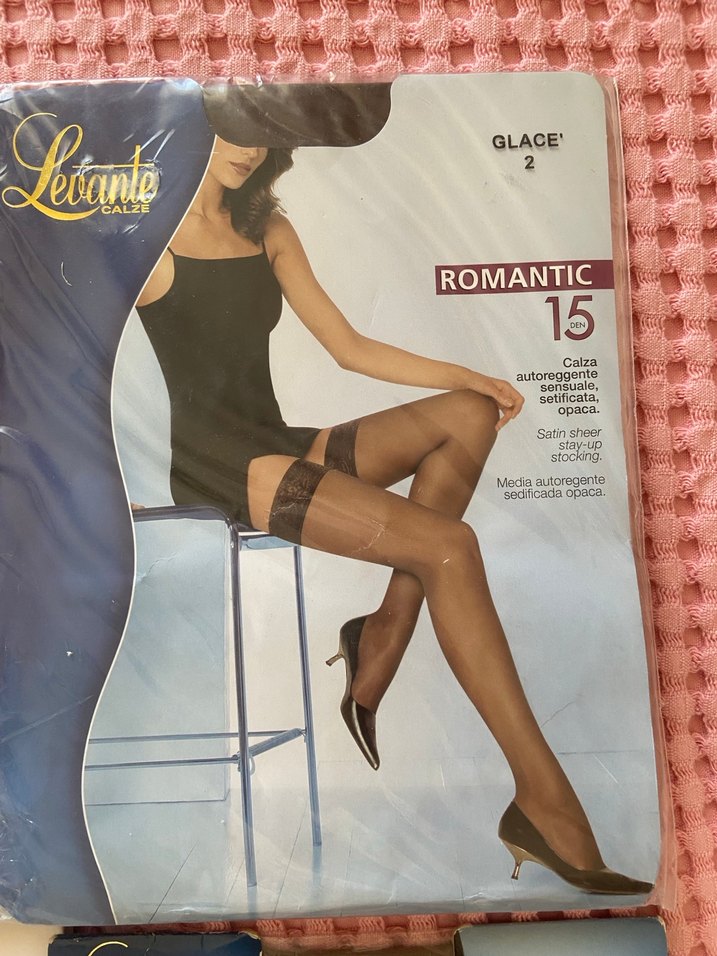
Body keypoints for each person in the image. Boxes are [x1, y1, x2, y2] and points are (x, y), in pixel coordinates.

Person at [135, 138, 652, 896]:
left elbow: (346, 346)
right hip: (222, 471)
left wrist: (473, 377)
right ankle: (544, 800)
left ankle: (384, 627)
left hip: (279, 445)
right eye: (230, 128)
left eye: (260, 129)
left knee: (468, 414)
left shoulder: (265, 227)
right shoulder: (145, 237)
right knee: (449, 547)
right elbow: (70, 355)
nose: (247, 147)